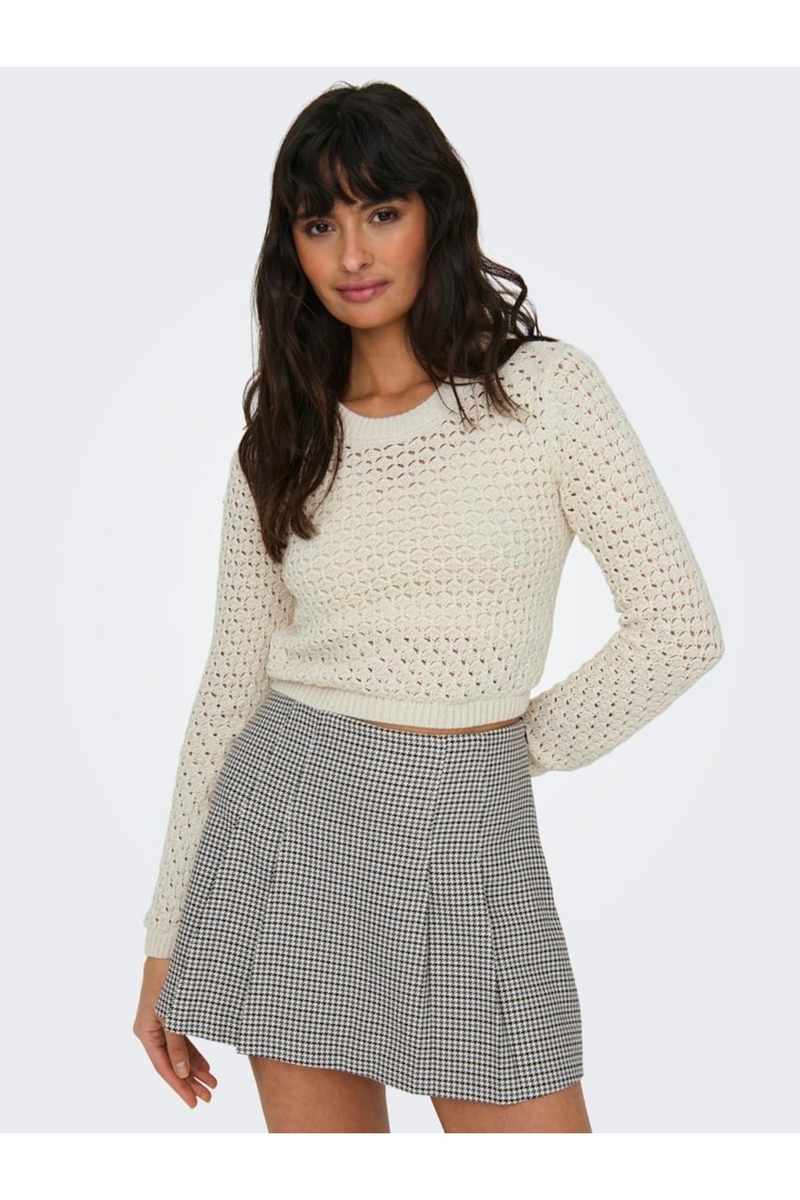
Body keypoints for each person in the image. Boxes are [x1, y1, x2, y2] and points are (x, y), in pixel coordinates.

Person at [133, 80, 724, 1134]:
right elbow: (229, 691)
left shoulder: (544, 394)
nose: (352, 254)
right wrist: (163, 940)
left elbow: (679, 626)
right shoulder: (283, 442)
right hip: (289, 830)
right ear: (291, 248)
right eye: (319, 224)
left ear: (435, 215)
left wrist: (509, 749)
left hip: (469, 839)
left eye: (381, 211)